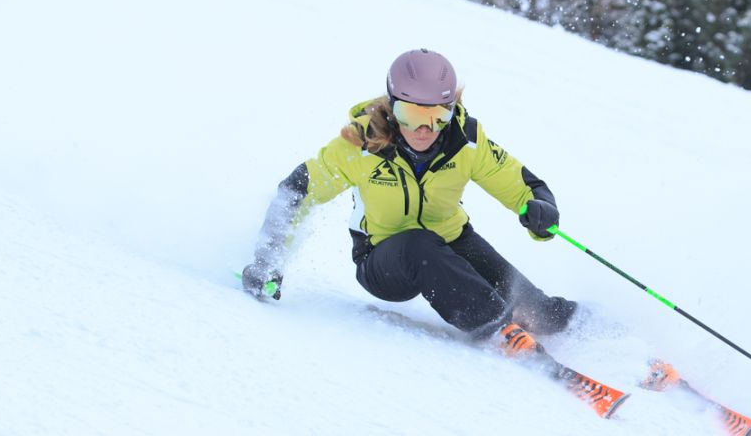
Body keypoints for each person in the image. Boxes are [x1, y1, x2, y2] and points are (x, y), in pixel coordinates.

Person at [241, 48, 578, 352]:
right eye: (412, 115)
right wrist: (266, 258)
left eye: (437, 117)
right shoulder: (362, 144)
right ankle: (496, 330)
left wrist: (541, 209)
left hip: (452, 241)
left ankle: (593, 329)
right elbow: (297, 190)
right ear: (392, 107)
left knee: (539, 311)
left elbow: (523, 185)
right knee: (419, 246)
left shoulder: (467, 141)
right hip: (384, 260)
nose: (424, 129)